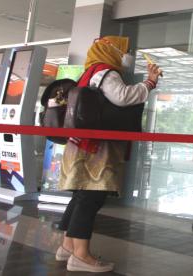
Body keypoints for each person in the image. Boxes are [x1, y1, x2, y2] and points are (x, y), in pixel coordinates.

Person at [54, 36, 162, 273]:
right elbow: (122, 97)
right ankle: (81, 255)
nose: (126, 55)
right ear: (110, 50)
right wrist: (150, 83)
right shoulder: (106, 72)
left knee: (80, 196)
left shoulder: (89, 71)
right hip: (96, 149)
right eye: (123, 50)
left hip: (80, 144)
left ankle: (68, 246)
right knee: (91, 197)